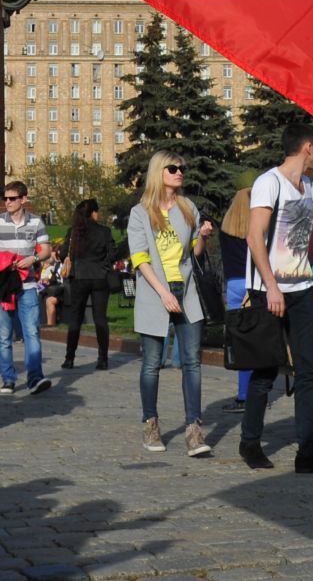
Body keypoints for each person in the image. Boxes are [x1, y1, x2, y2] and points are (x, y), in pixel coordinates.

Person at [240, 123, 313, 473]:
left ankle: (308, 452)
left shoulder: (309, 186)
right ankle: (250, 443)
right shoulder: (269, 182)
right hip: (269, 290)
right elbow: (255, 237)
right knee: (266, 369)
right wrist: (270, 286)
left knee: (309, 370)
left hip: (301, 289)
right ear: (308, 147)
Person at [127, 153, 213, 457]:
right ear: (158, 172)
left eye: (182, 168)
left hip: (187, 291)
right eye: (173, 168)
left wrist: (202, 236)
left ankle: (194, 429)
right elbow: (140, 258)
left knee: (192, 362)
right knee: (152, 364)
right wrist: (163, 292)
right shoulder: (140, 212)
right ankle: (151, 424)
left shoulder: (187, 207)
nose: (180, 173)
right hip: (155, 292)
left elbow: (196, 254)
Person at [0, 179, 52, 396]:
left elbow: (46, 251)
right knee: (4, 334)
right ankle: (8, 378)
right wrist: (3, 262)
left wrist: (32, 259)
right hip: (3, 285)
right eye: (5, 198)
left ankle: (35, 378)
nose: (7, 202)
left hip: (28, 284)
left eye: (12, 198)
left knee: (32, 332)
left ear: (24, 199)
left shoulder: (36, 222)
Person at [61, 199, 116, 370]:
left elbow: (63, 252)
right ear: (93, 212)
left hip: (79, 277)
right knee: (100, 318)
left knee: (75, 318)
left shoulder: (74, 232)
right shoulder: (104, 231)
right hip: (100, 277)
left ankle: (69, 358)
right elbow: (112, 253)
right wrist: (104, 266)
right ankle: (103, 359)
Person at [217, 187, 253, 412]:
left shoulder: (225, 229)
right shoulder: (255, 229)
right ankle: (253, 392)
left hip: (233, 286)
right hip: (251, 284)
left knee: (238, 342)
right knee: (255, 339)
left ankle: (242, 394)